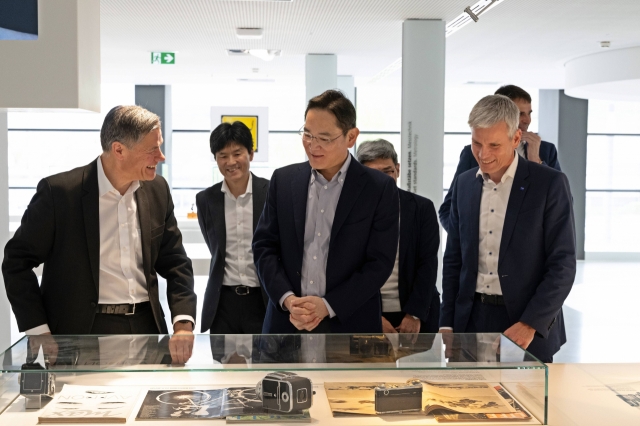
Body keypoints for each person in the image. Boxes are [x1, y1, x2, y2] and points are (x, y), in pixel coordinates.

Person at [2, 105, 196, 362]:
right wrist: (38, 329)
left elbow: (176, 262)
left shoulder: (157, 190)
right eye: (152, 149)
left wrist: (183, 322)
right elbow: (17, 262)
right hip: (81, 333)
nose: (160, 157)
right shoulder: (60, 193)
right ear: (119, 150)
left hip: (146, 329)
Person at [439, 95, 576, 363]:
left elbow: (562, 263)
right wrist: (447, 321)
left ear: (516, 139)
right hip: (470, 320)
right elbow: (454, 259)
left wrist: (530, 324)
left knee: (525, 404)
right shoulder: (465, 184)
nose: (483, 154)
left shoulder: (549, 184)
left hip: (524, 321)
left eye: (494, 145)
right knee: (466, 401)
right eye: (477, 143)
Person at [252, 90, 399, 334]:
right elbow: (264, 246)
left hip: (350, 324)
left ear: (351, 137)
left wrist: (328, 305)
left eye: (325, 138)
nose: (313, 146)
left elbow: (379, 262)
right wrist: (288, 299)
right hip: (287, 322)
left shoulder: (378, 188)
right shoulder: (283, 180)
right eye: (307, 134)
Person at [439, 85, 561, 233]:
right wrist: (464, 241)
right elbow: (448, 209)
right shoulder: (471, 153)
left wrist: (535, 160)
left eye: (529, 113)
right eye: (520, 113)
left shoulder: (546, 151)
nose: (527, 120)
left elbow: (561, 205)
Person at [356, 139, 440, 334]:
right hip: (368, 314)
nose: (384, 180)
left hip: (415, 316)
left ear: (398, 169)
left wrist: (415, 314)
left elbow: (427, 264)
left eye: (388, 172)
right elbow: (350, 271)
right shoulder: (351, 213)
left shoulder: (422, 208)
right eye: (374, 174)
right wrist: (373, 316)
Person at [196, 121, 269, 334]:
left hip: (263, 299)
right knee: (223, 365)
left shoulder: (271, 192)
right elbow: (215, 249)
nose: (231, 162)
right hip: (222, 303)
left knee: (266, 363)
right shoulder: (206, 200)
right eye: (222, 155)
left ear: (251, 154)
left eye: (237, 153)